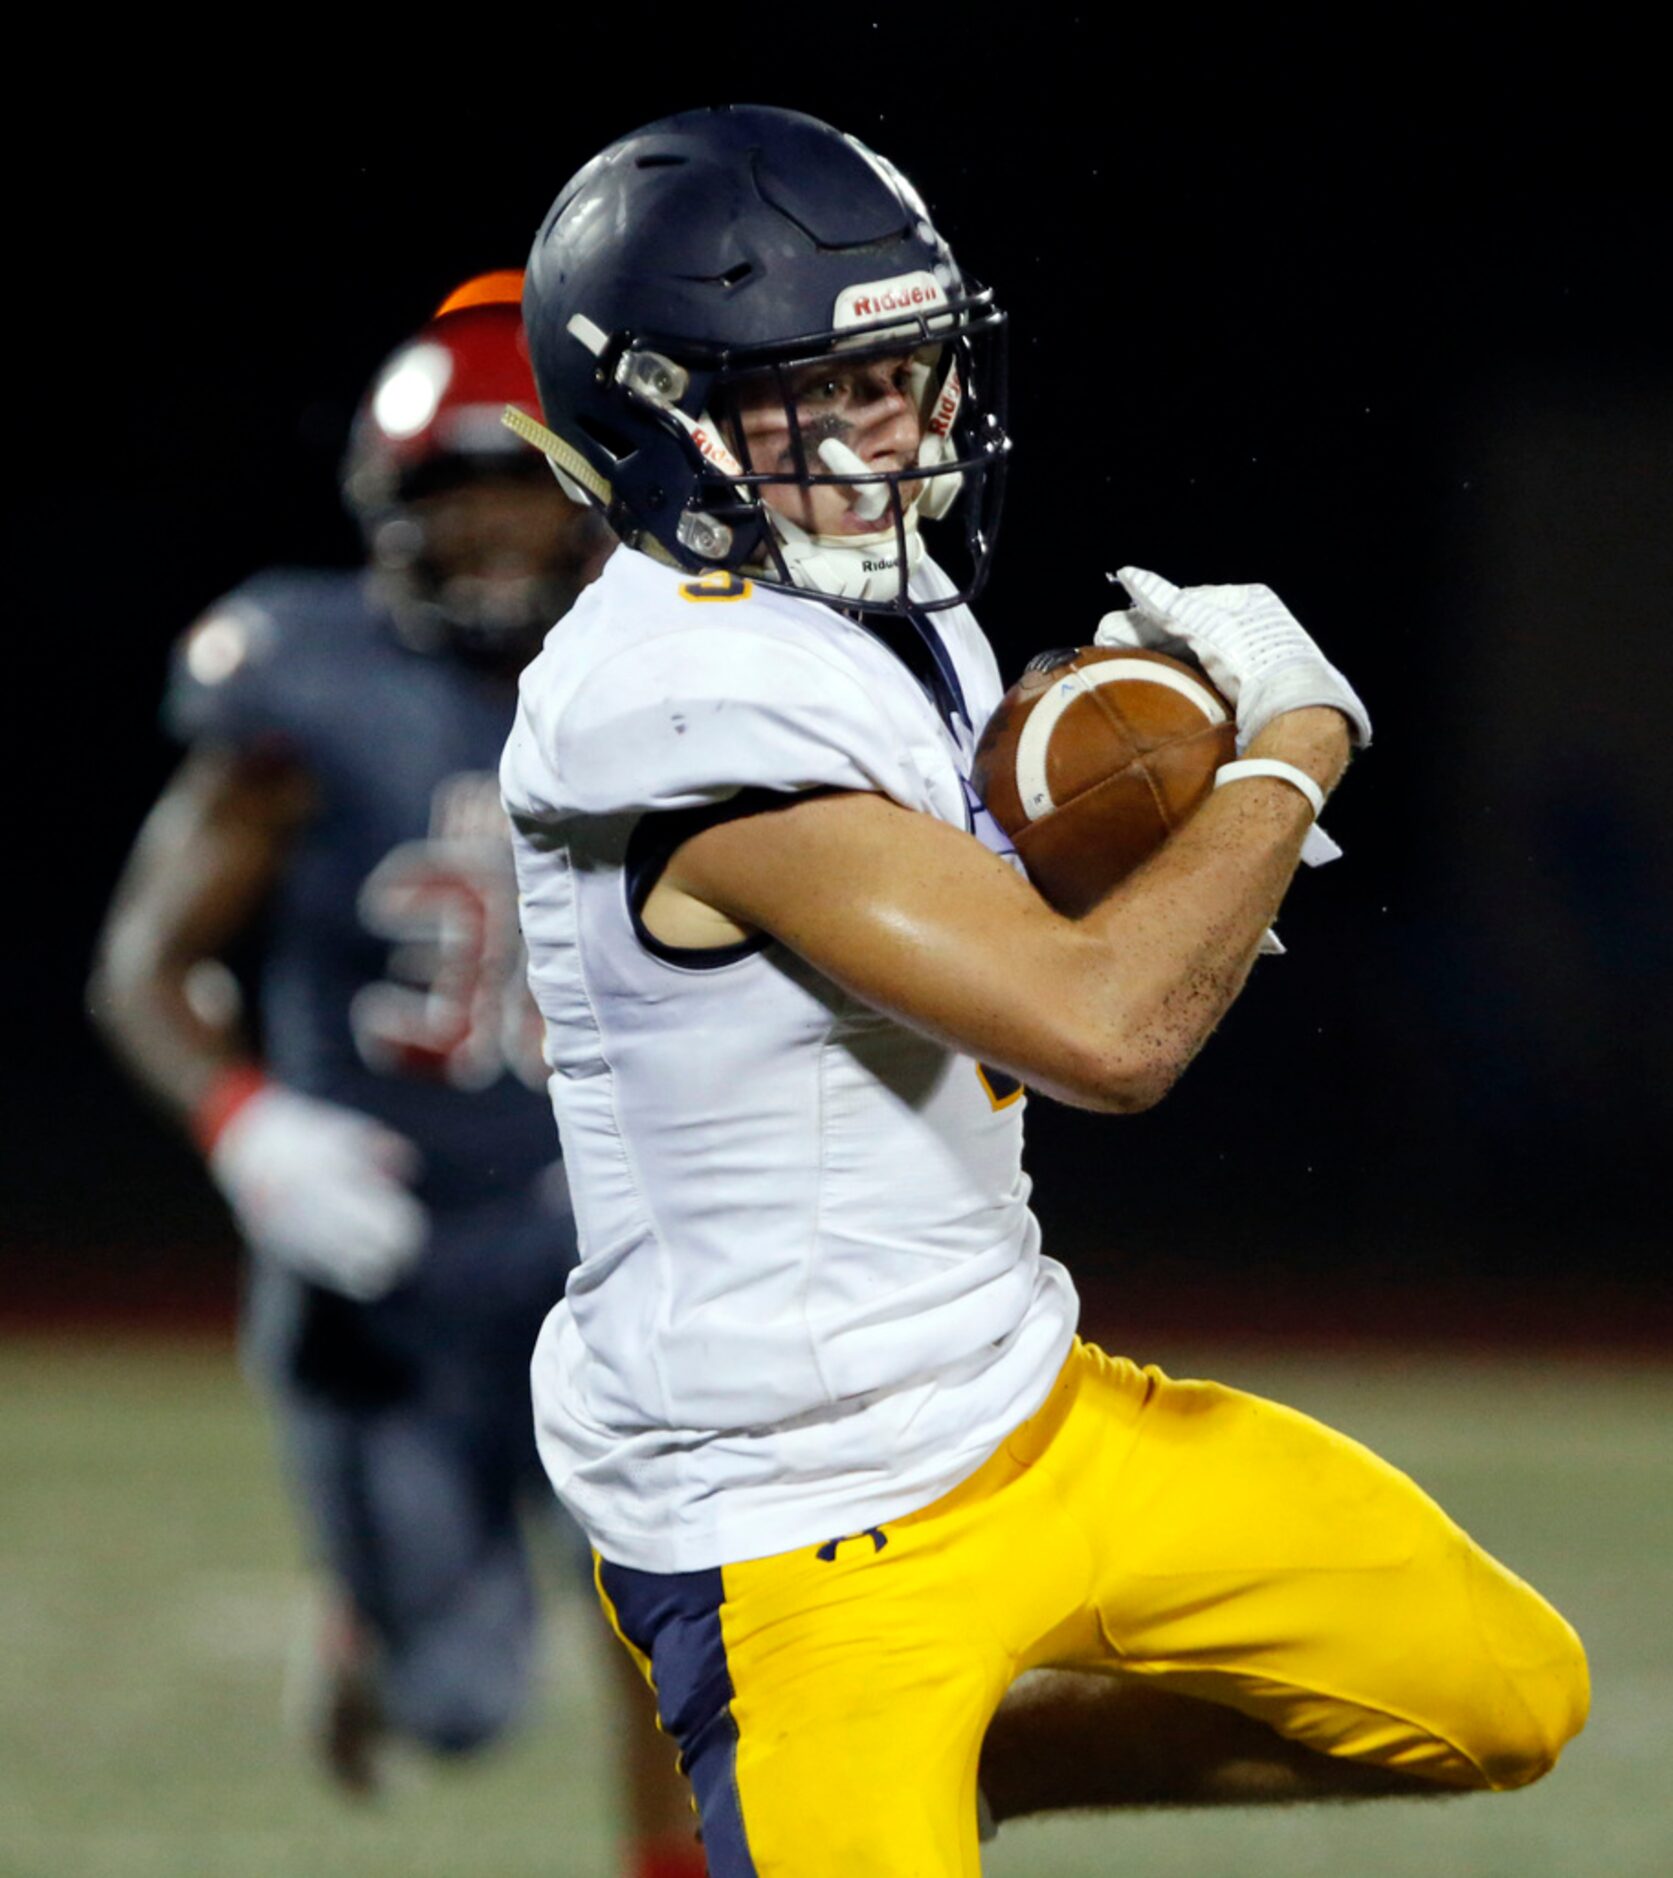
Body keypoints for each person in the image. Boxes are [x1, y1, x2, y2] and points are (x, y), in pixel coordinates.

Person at [499, 107, 1590, 1877]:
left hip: (1027, 1397)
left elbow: (986, 910)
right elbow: (1104, 1031)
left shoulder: (873, 600)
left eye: (911, 374)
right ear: (661, 416)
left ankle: (991, 1759)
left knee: (1505, 1692)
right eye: (829, 396)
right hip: (785, 1518)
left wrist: (1128, 822)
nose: (906, 431)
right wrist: (1290, 750)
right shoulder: (667, 692)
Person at [90, 274, 706, 1878]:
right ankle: (377, 1629)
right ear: (387, 511)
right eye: (453, 493)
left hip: (589, 1235)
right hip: (376, 1257)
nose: (494, 532)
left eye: (527, 484)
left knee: (674, 1584)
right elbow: (143, 961)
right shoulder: (306, 680)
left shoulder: (678, 680)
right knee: (461, 1705)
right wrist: (249, 1128)